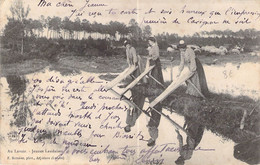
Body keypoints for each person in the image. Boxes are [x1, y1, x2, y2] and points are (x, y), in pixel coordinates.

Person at [145, 37, 165, 146]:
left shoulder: (155, 47)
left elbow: (156, 56)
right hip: (154, 122)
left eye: (150, 41)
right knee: (153, 75)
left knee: (156, 75)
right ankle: (154, 85)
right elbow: (155, 126)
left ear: (152, 41)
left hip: (155, 63)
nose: (149, 43)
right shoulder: (154, 136)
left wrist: (151, 57)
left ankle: (157, 85)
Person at [123, 40, 146, 134]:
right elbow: (128, 58)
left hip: (136, 62)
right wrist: (130, 64)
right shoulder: (131, 123)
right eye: (126, 45)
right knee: (138, 101)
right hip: (136, 110)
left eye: (128, 44)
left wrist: (135, 64)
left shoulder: (132, 49)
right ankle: (136, 85)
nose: (127, 46)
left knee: (137, 72)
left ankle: (138, 81)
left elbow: (135, 57)